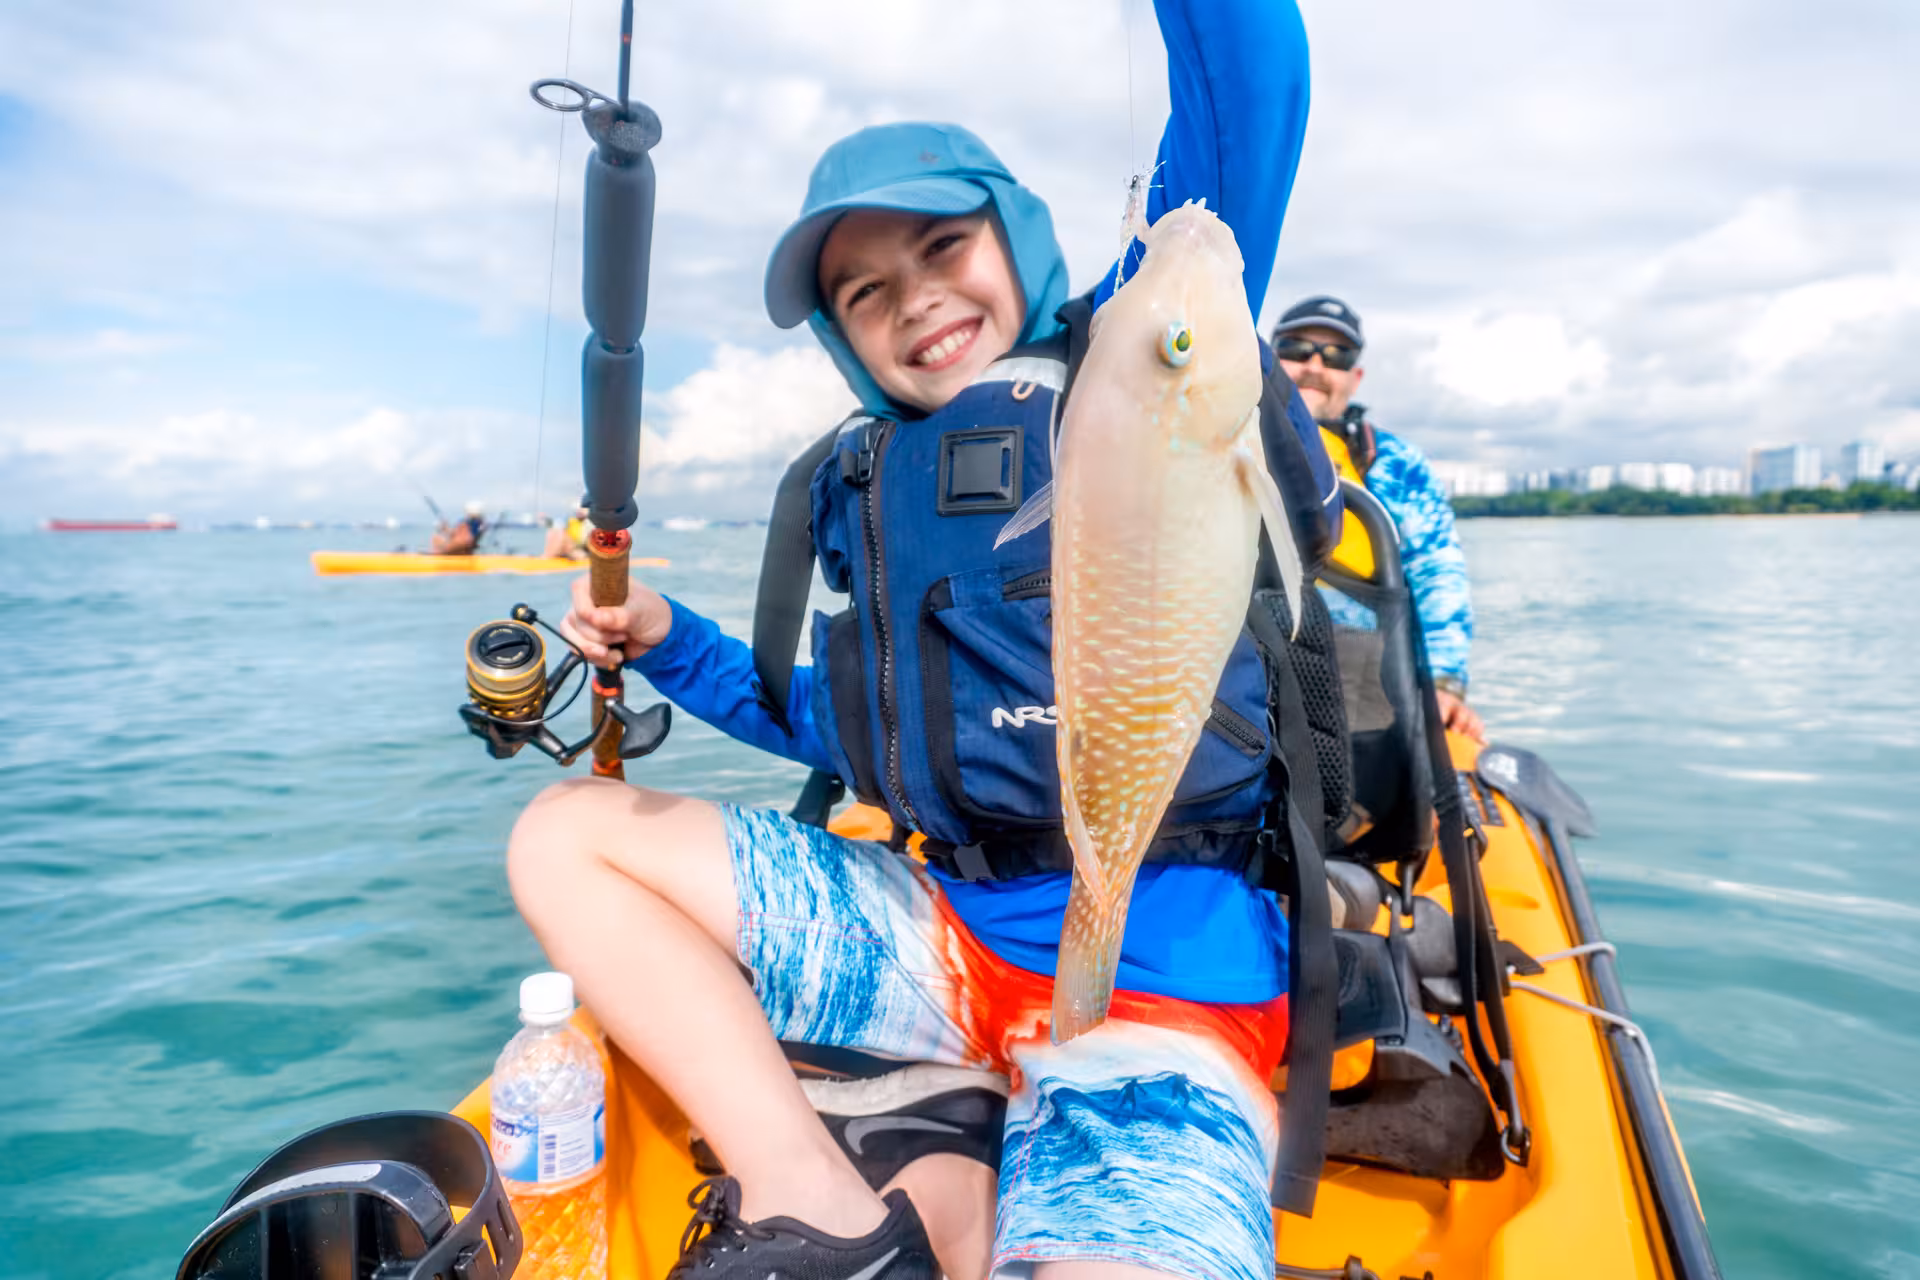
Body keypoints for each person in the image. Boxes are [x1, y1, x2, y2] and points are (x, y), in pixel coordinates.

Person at [508, 6, 1334, 1280]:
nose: (919, 299)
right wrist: (669, 639)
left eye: (948, 244)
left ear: (1024, 239)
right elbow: (842, 722)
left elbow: (1254, 82)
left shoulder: (1139, 351)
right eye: (866, 291)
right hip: (940, 939)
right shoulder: (871, 486)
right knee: (562, 835)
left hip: (1169, 979)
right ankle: (816, 1194)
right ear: (843, 336)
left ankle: (988, 1166)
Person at [1271, 296, 1485, 741]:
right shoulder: (1222, 439)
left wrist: (1445, 683)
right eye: (1296, 349)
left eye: (1336, 356)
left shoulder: (1396, 463)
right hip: (1244, 661)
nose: (1314, 365)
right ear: (1269, 359)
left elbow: (1437, 569)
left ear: (1356, 376)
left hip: (1359, 681)